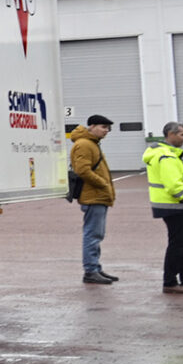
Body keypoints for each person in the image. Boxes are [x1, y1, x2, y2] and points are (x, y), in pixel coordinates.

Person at [144, 122, 183, 295]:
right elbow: (173, 185)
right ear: (170, 135)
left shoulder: (165, 153)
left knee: (182, 242)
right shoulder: (166, 156)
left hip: (170, 205)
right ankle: (170, 282)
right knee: (178, 243)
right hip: (172, 204)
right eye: (182, 135)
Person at [68, 114, 117, 285]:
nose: (106, 131)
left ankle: (95, 268)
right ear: (92, 126)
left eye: (108, 128)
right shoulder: (84, 144)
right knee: (93, 234)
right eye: (103, 127)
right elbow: (83, 170)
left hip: (98, 196)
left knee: (97, 234)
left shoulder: (92, 143)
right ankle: (90, 270)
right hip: (93, 196)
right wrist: (103, 184)